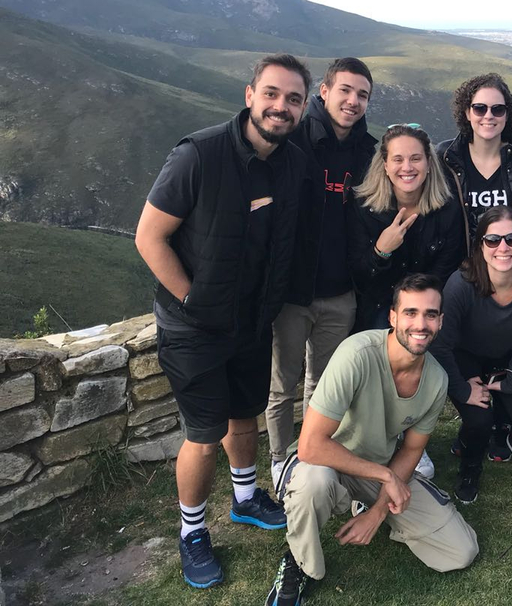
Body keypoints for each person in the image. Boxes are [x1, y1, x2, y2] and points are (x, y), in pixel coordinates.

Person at [134, 54, 312, 588]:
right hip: (194, 328)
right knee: (204, 436)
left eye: (294, 99)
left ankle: (244, 499)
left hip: (252, 322)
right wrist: (192, 302)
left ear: (303, 109)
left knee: (245, 415)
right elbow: (149, 237)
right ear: (250, 94)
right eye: (273, 94)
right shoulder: (199, 155)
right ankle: (192, 533)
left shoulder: (294, 164)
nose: (281, 106)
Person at [265, 274, 479, 606]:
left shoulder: (437, 379)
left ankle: (369, 508)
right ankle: (300, 562)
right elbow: (311, 444)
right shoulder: (357, 354)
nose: (420, 324)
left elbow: (411, 449)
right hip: (324, 462)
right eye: (410, 312)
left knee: (460, 551)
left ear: (440, 321)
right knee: (313, 484)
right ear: (393, 317)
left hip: (378, 466)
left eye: (430, 314)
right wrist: (386, 476)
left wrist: (378, 512)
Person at [266, 57, 377, 488]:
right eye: (345, 90)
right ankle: (278, 460)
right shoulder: (293, 138)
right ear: (325, 91)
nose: (353, 101)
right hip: (293, 291)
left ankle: (311, 455)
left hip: (340, 291)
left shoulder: (368, 151)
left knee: (323, 385)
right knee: (282, 384)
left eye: (362, 94)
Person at [430, 206, 512, 503]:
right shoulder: (460, 286)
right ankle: (470, 465)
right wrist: (462, 388)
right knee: (480, 421)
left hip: (505, 361)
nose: (503, 247)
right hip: (465, 358)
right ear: (479, 246)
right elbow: (441, 345)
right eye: (492, 240)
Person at [348, 124, 464, 331]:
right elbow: (359, 276)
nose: (407, 167)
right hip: (377, 306)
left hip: (425, 306)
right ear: (385, 165)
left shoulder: (447, 210)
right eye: (398, 159)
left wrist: (410, 310)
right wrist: (380, 251)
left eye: (415, 158)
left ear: (429, 163)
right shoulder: (366, 208)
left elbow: (444, 272)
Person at [437, 73, 512, 252]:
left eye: (498, 109)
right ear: (467, 113)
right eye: (480, 108)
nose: (489, 116)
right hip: (461, 269)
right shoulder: (446, 157)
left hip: (511, 266)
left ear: (506, 115)